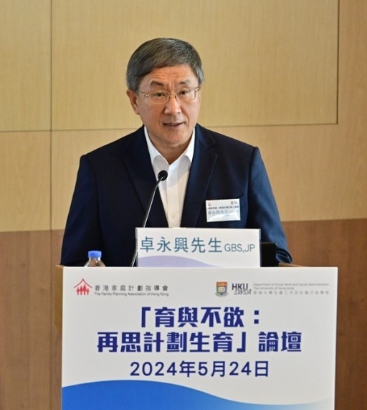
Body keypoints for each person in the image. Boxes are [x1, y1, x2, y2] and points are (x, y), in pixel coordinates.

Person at [60, 38, 291, 266]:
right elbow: (76, 264)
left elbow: (276, 257)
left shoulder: (242, 162)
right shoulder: (100, 169)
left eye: (184, 91)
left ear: (198, 94)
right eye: (158, 94)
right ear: (134, 101)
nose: (173, 109)